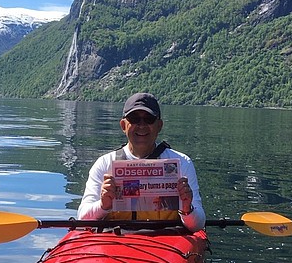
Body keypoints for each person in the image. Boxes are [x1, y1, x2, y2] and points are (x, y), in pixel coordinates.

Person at [77, 93, 206, 232]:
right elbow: (82, 218)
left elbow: (198, 224)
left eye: (149, 119)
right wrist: (103, 205)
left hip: (168, 242)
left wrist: (187, 209)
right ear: (123, 125)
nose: (142, 125)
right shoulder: (104, 164)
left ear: (159, 125)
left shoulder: (182, 163)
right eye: (134, 119)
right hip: (114, 244)